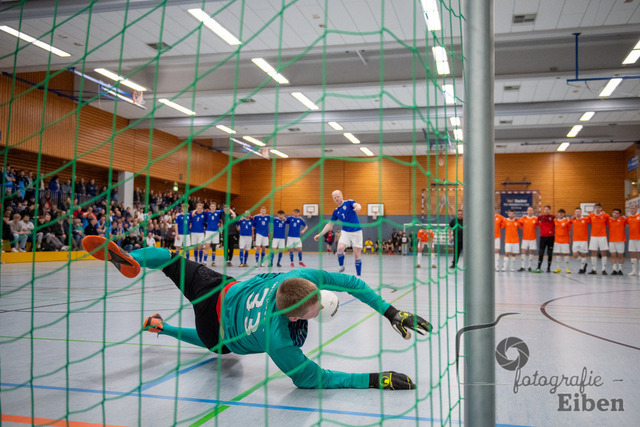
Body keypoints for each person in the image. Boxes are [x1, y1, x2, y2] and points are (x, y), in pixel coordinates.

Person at [82, 235, 431, 390]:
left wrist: (392, 312)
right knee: (217, 348)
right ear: (292, 317)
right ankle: (162, 327)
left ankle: (132, 258)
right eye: (312, 314)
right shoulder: (279, 341)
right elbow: (314, 379)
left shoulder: (300, 278)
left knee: (172, 261)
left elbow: (352, 284)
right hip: (217, 330)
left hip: (219, 289)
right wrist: (375, 379)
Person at [314, 190, 363, 276]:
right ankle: (341, 266)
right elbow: (330, 224)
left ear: (342, 196)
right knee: (339, 248)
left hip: (356, 232)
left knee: (356, 255)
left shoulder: (349, 202)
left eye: (338, 196)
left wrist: (358, 207)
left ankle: (358, 276)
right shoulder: (336, 211)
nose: (336, 198)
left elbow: (356, 205)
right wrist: (320, 234)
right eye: (334, 197)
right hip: (345, 232)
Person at [204, 202, 234, 267]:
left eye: (214, 206)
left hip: (216, 232)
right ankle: (204, 261)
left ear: (216, 207)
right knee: (207, 247)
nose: (213, 207)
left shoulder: (218, 212)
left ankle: (213, 262)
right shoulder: (207, 213)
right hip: (208, 231)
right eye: (212, 206)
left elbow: (226, 210)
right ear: (210, 207)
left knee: (214, 248)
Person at [588, 203, 610, 275]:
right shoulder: (591, 215)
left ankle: (603, 269)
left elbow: (610, 220)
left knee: (603, 252)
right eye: (596, 207)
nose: (597, 209)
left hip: (603, 236)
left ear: (601, 208)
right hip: (593, 236)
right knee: (593, 252)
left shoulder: (605, 215)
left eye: (599, 207)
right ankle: (594, 269)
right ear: (594, 208)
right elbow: (585, 221)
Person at [535, 205, 555, 273]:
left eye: (547, 209)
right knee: (541, 252)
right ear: (544, 210)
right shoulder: (541, 217)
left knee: (550, 253)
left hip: (551, 237)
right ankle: (538, 267)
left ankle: (548, 268)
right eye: (545, 209)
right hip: (543, 237)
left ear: (550, 210)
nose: (546, 210)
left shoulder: (553, 217)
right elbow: (535, 221)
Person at [517, 207, 538, 272]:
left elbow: (540, 224)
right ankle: (523, 267)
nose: (530, 211)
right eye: (529, 210)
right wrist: (521, 227)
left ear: (533, 211)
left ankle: (529, 267)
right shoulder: (523, 218)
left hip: (533, 238)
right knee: (523, 251)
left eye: (531, 210)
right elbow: (518, 223)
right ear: (527, 211)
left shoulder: (536, 218)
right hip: (525, 238)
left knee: (531, 252)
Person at [570, 207, 590, 274]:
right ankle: (584, 263)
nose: (577, 213)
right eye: (576, 212)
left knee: (583, 254)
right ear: (574, 213)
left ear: (581, 212)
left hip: (583, 240)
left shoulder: (585, 219)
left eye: (579, 212)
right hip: (575, 240)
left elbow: (593, 219)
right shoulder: (573, 220)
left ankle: (581, 268)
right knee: (575, 255)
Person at [552, 209, 572, 274]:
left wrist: (569, 239)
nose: (560, 214)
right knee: (557, 254)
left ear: (564, 214)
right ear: (557, 214)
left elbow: (569, 230)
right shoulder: (555, 220)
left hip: (565, 240)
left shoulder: (567, 221)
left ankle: (567, 268)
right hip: (557, 240)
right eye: (559, 213)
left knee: (566, 254)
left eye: (562, 213)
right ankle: (558, 268)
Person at [608, 208, 626, 275]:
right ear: (612, 213)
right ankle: (614, 270)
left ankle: (620, 270)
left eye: (617, 213)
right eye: (614, 213)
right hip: (612, 241)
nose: (615, 214)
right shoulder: (609, 220)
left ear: (620, 214)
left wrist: (625, 217)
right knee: (613, 255)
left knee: (620, 255)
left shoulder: (623, 219)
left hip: (620, 240)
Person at [626, 204, 640, 276]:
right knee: (633, 254)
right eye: (631, 208)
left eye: (633, 208)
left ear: (637, 208)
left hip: (639, 238)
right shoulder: (629, 218)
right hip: (632, 238)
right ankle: (634, 271)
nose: (632, 210)